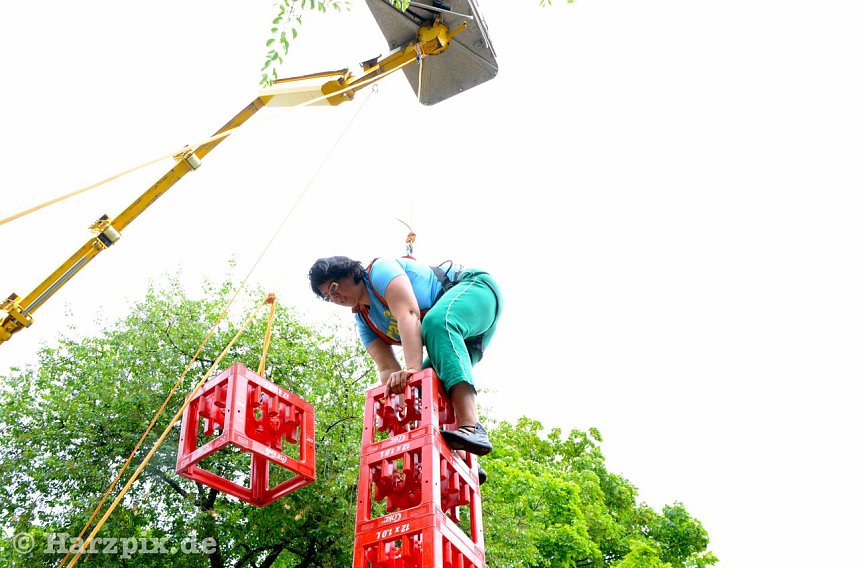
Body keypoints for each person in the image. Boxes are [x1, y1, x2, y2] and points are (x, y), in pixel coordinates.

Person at [308, 255, 502, 463]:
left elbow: (409, 314)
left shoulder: (380, 272)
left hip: (475, 292)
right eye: (328, 296)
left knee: (436, 325)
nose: (336, 297)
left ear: (350, 272)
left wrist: (411, 369)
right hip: (464, 337)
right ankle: (464, 458)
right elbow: (387, 369)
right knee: (424, 388)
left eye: (335, 287)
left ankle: (471, 426)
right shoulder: (364, 321)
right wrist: (404, 412)